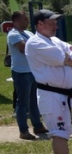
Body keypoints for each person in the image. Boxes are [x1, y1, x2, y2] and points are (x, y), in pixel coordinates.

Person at [24, 9, 72, 154]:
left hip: (61, 95)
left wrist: (67, 59)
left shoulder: (53, 40)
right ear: (40, 24)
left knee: (59, 132)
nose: (56, 26)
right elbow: (65, 58)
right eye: (51, 22)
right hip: (51, 95)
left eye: (56, 22)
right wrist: (66, 60)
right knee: (59, 132)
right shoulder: (35, 43)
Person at [7, 11, 47, 140]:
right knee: (22, 103)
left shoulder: (29, 33)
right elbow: (24, 49)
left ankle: (38, 126)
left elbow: (39, 44)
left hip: (32, 71)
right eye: (25, 19)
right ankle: (23, 130)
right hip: (21, 72)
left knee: (34, 101)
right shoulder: (13, 34)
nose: (28, 21)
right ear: (16, 20)